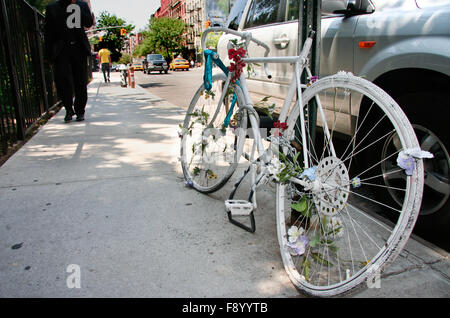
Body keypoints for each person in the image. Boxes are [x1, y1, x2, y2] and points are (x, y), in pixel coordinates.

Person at [44, 0, 94, 123]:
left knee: (80, 82)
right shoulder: (52, 8)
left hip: (79, 49)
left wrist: (76, 7)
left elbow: (88, 23)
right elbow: (48, 33)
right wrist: (47, 55)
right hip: (61, 51)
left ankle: (80, 111)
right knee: (62, 81)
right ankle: (68, 109)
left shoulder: (81, 5)